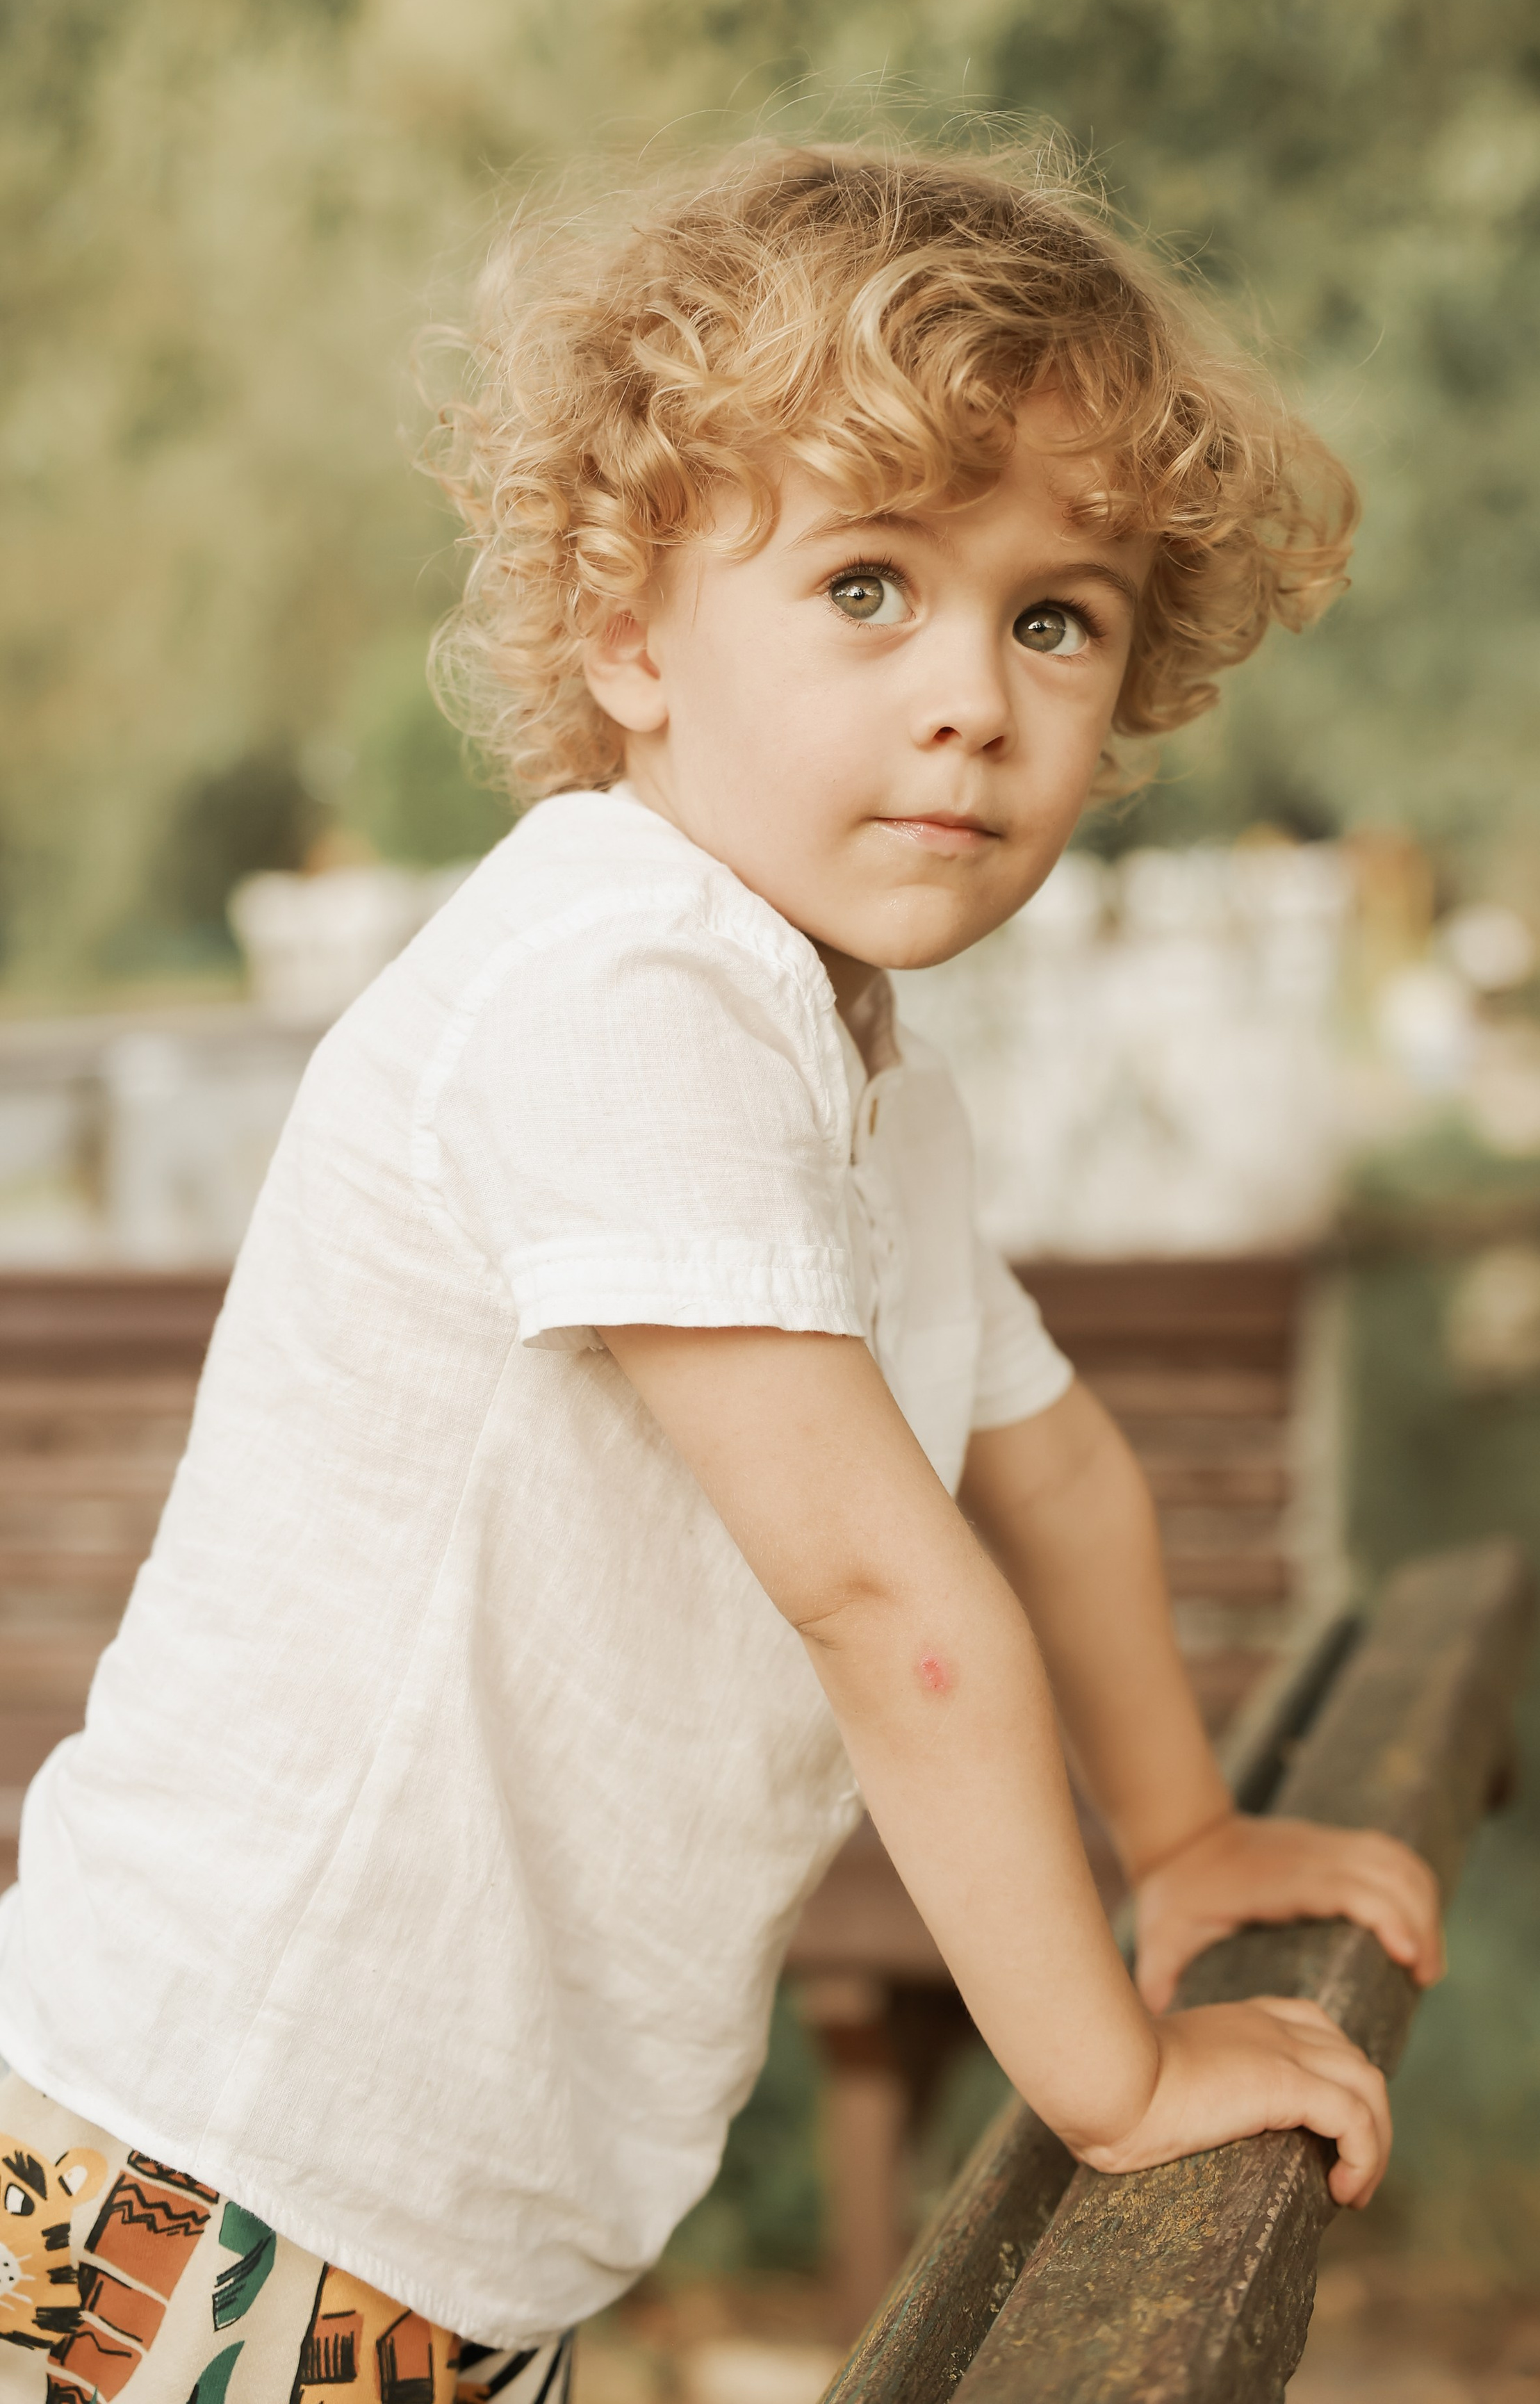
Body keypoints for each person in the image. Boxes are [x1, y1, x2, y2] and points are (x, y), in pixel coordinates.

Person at [0, 145, 1441, 2402]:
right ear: (628, 641)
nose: (974, 692)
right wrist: (1117, 2083)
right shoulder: (616, 986)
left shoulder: (864, 1068)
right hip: (206, 2169)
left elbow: (1047, 1478)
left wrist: (1186, 1838)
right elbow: (897, 1599)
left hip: (451, 2222)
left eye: (1054, 617)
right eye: (873, 587)